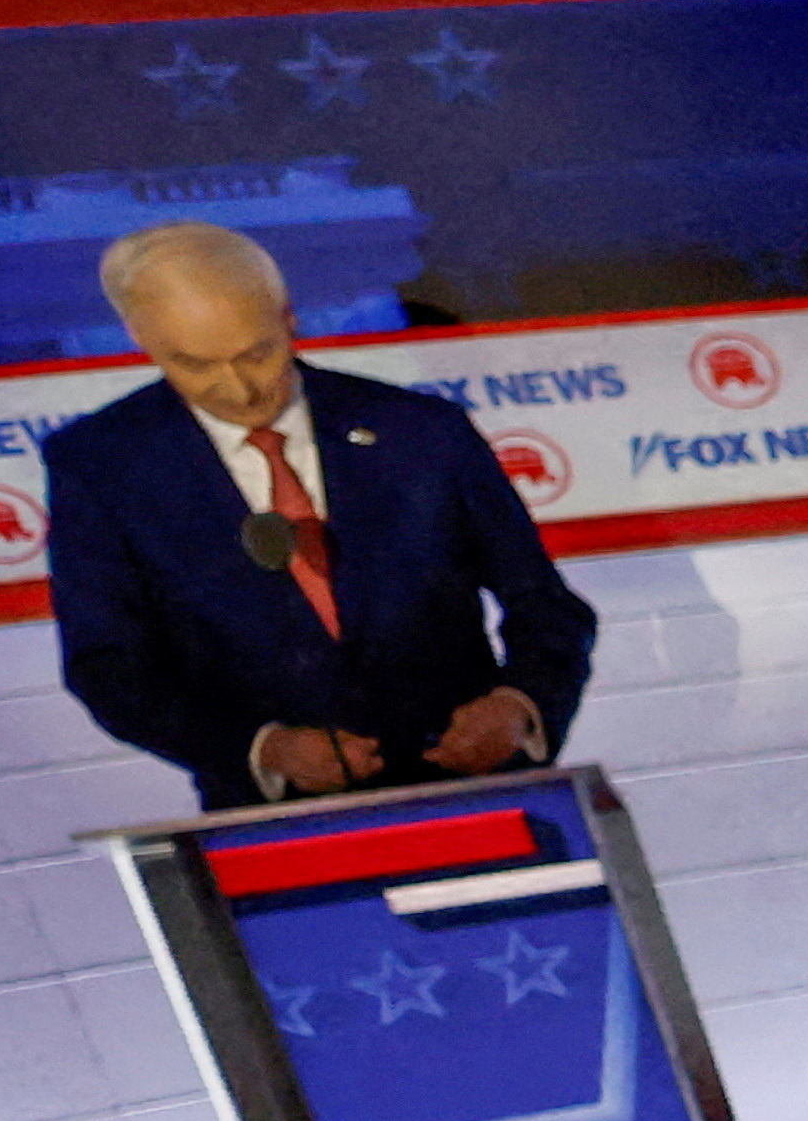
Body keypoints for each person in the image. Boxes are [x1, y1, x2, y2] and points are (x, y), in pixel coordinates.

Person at [42, 218, 594, 810]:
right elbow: (108, 667)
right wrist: (263, 749)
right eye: (194, 364)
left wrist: (519, 706)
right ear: (139, 338)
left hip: (477, 790)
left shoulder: (421, 431)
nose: (238, 388)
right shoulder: (101, 466)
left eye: (257, 353)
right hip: (274, 817)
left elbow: (547, 607)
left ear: (288, 317)